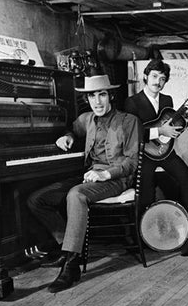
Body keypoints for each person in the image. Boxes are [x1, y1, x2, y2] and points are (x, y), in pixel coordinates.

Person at [27, 75, 141, 293]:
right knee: (37, 199)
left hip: (115, 179)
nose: (97, 101)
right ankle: (65, 246)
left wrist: (106, 174)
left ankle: (71, 264)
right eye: (91, 96)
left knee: (76, 195)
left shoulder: (129, 121)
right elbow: (74, 128)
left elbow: (132, 161)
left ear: (111, 96)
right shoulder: (86, 119)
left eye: (102, 95)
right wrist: (66, 136)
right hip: (90, 176)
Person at [124, 59, 188, 256]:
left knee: (186, 177)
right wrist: (159, 131)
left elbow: (175, 127)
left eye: (162, 79)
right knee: (146, 190)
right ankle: (144, 236)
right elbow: (131, 134)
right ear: (145, 76)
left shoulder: (167, 100)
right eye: (154, 76)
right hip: (144, 153)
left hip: (166, 153)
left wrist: (184, 117)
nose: (158, 82)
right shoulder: (132, 102)